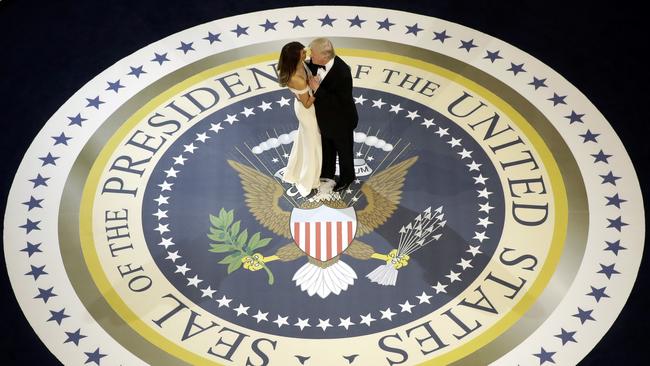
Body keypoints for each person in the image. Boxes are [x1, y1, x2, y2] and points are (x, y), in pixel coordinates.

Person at [307, 38, 359, 192]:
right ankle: (327, 174)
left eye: (313, 53)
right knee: (327, 147)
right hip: (325, 119)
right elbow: (304, 65)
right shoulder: (316, 62)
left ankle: (347, 178)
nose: (310, 56)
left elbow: (339, 103)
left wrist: (317, 88)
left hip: (342, 120)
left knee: (344, 152)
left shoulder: (343, 73)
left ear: (324, 57)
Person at [278, 42, 322, 198]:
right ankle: (308, 179)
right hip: (307, 111)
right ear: (296, 56)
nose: (306, 53)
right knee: (313, 144)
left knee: (306, 140)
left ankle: (299, 171)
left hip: (308, 107)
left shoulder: (301, 64)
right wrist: (318, 88)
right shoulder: (296, 79)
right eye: (303, 52)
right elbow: (307, 103)